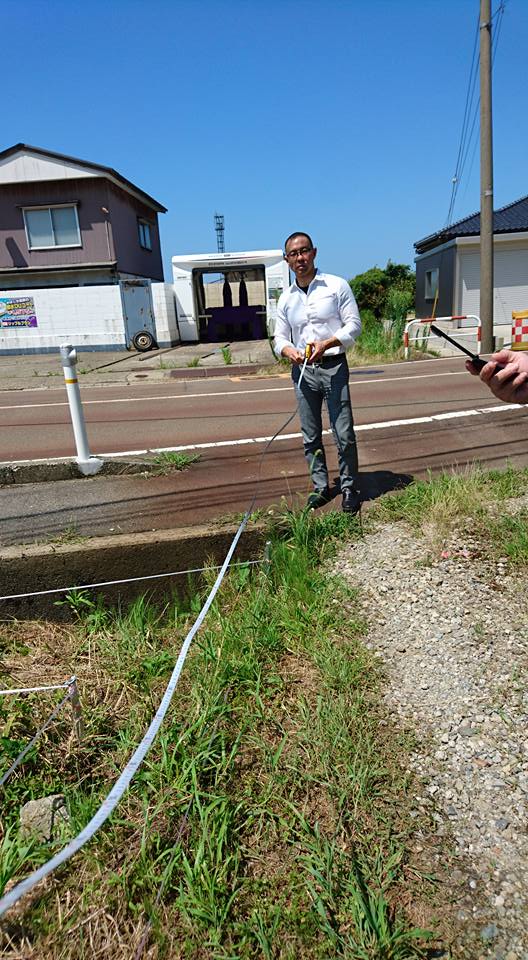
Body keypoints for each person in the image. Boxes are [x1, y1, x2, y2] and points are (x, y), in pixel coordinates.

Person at [274, 231, 362, 513]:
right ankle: (321, 487)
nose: (300, 258)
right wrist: (290, 351)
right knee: (310, 434)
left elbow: (354, 326)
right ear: (286, 260)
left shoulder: (336, 286)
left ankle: (349, 487)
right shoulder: (285, 298)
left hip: (334, 366)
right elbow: (280, 338)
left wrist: (328, 343)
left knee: (343, 432)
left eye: (304, 251)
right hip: (303, 372)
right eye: (293, 254)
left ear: (314, 252)